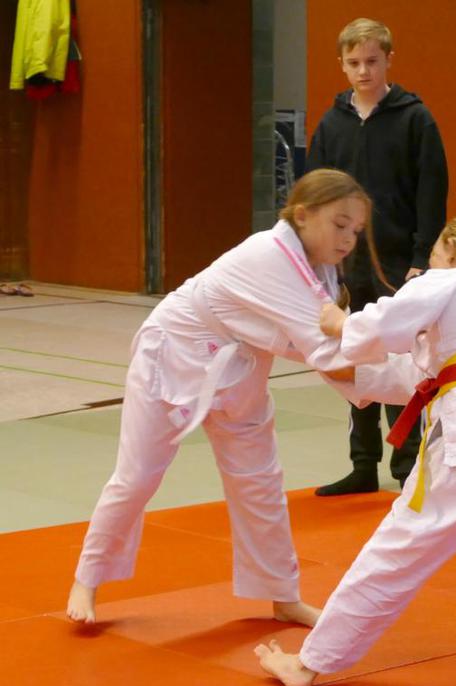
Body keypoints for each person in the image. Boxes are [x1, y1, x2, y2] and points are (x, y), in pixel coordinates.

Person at [254, 201, 456, 686]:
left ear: (452, 247)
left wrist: (339, 322)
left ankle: (309, 663)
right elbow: (418, 375)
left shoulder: (448, 279)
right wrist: (341, 366)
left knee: (398, 548)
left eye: (435, 249)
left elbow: (381, 325)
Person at [66, 169, 392, 626]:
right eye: (339, 224)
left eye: (355, 230)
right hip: (175, 353)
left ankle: (282, 595)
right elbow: (329, 355)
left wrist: (403, 367)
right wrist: (417, 373)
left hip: (241, 365)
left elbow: (332, 349)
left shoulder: (320, 270)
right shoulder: (269, 255)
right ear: (302, 215)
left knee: (260, 482)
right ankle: (88, 577)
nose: (348, 239)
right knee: (137, 475)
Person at [307, 17, 448, 496]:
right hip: (348, 264)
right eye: (354, 63)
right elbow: (316, 193)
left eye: (372, 61)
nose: (363, 71)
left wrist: (422, 258)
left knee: (401, 365)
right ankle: (363, 463)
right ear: (342, 65)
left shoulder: (415, 120)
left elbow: (431, 192)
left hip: (399, 264)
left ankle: (407, 466)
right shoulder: (332, 125)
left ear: (389, 59)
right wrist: (320, 258)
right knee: (355, 359)